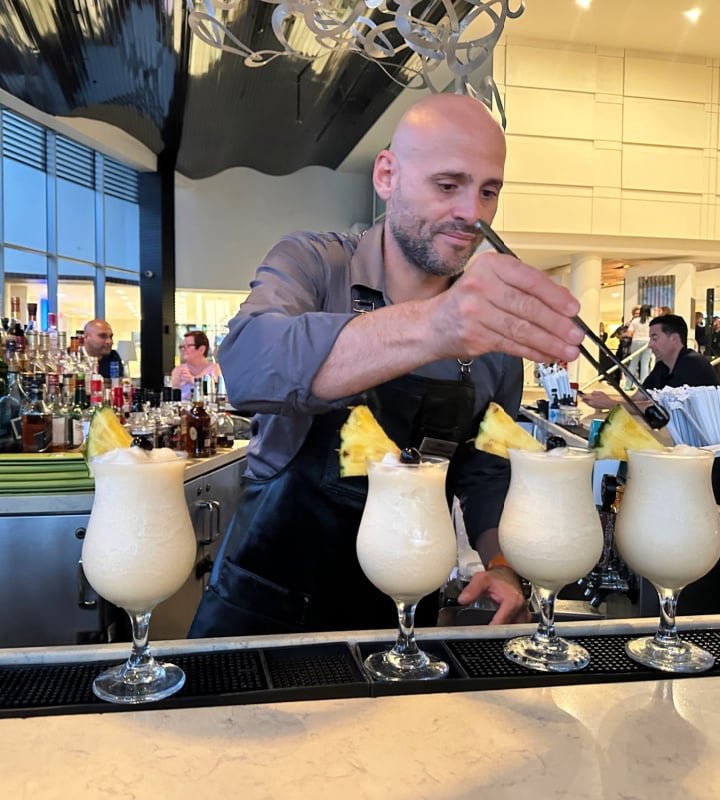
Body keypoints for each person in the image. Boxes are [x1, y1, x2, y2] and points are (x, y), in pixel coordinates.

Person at [188, 94, 585, 638]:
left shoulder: (490, 333)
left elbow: (484, 468)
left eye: (489, 191)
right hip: (262, 606)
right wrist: (435, 327)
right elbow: (250, 367)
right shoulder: (315, 264)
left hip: (400, 614)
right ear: (386, 175)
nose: (474, 214)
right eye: (448, 185)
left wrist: (499, 563)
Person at [582, 314, 719, 412]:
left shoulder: (692, 364)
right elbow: (638, 398)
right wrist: (603, 399)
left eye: (655, 338)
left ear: (674, 339)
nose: (650, 345)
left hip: (703, 442)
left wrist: (611, 404)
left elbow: (660, 409)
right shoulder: (662, 366)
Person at [171, 330, 222, 400]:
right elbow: (171, 398)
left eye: (188, 346)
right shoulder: (178, 370)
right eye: (182, 347)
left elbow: (218, 396)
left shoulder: (216, 369)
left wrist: (192, 380)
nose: (183, 349)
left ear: (201, 349)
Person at [625, 304, 653, 389]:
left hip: (636, 341)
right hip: (647, 342)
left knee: (633, 364)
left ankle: (628, 385)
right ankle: (643, 386)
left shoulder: (635, 321)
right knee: (645, 364)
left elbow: (629, 334)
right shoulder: (651, 321)